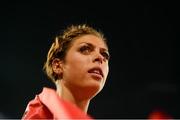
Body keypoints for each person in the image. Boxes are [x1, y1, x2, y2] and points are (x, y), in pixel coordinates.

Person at [22, 24, 110, 119]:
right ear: (58, 65)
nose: (100, 57)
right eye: (85, 49)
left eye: (105, 55)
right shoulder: (39, 113)